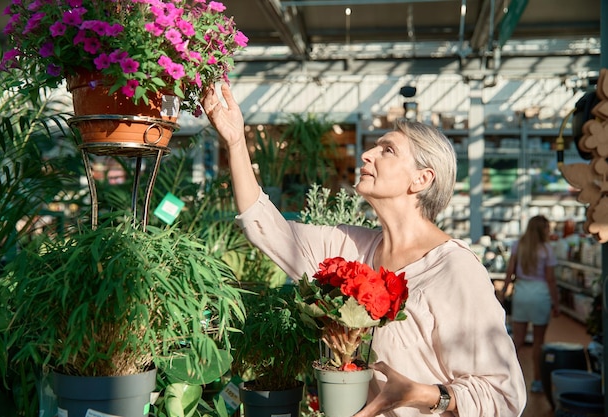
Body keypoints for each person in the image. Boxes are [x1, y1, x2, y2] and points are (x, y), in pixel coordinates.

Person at [201, 83, 526, 417]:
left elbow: (504, 396)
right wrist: (236, 141)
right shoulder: (352, 247)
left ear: (422, 180)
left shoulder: (455, 271)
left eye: (388, 150)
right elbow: (266, 227)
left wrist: (423, 394)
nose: (367, 154)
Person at [499, 215, 559, 394]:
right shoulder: (547, 249)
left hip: (522, 294)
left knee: (516, 340)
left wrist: (503, 294)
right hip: (540, 296)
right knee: (538, 343)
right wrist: (556, 303)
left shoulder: (519, 246)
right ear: (543, 230)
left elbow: (509, 272)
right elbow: (550, 279)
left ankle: (503, 377)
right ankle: (537, 381)